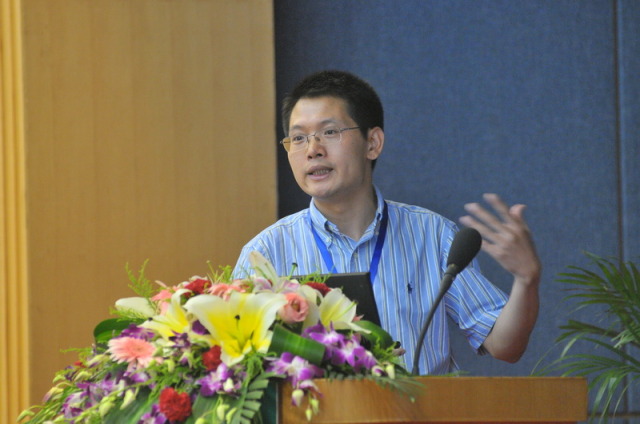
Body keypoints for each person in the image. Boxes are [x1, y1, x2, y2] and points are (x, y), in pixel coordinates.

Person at [233, 70, 541, 375]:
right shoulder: (266, 253)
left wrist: (526, 280)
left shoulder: (433, 236)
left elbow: (506, 346)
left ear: (373, 143)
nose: (313, 150)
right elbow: (239, 367)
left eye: (330, 132)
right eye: (299, 138)